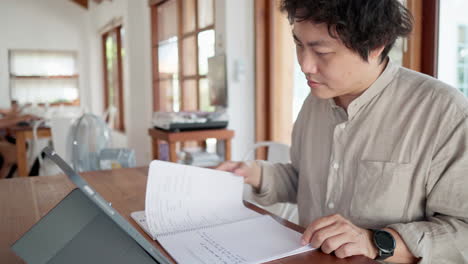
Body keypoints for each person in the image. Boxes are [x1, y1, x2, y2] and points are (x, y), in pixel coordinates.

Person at [217, 0, 468, 263]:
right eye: (298, 44)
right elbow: (307, 181)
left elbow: (463, 229)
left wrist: (377, 242)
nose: (304, 65)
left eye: (322, 52)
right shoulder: (314, 103)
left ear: (375, 46)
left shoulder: (444, 113)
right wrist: (254, 173)